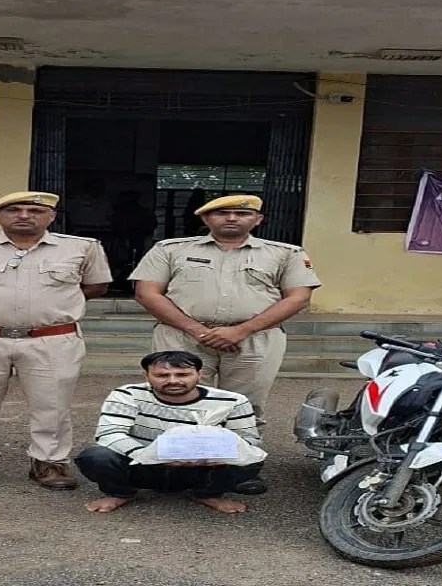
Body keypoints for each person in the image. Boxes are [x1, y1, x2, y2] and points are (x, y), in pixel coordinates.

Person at [128, 195, 321, 495]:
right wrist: (197, 330)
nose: (232, 218)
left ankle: (239, 469)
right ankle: (177, 466)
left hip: (255, 338)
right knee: (177, 400)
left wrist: (241, 330)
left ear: (258, 220)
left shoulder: (285, 254)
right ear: (206, 219)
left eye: (242, 214)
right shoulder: (171, 249)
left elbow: (298, 298)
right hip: (182, 336)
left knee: (245, 404)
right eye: (222, 213)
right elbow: (147, 293)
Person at [0, 191, 113, 490]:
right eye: (14, 209)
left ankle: (49, 462)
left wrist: (53, 306)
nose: (24, 215)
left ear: (51, 216)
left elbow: (96, 286)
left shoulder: (82, 248)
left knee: (53, 404)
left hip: (51, 338)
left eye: (35, 210)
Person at [75, 350, 262, 514]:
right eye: (162, 375)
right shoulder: (127, 394)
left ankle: (208, 494)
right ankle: (120, 493)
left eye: (183, 374)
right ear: (146, 375)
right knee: (96, 456)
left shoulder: (233, 400)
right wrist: (151, 456)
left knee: (252, 459)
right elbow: (110, 433)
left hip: (202, 468)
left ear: (199, 374)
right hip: (142, 464)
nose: (173, 380)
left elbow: (248, 440)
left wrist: (209, 457)